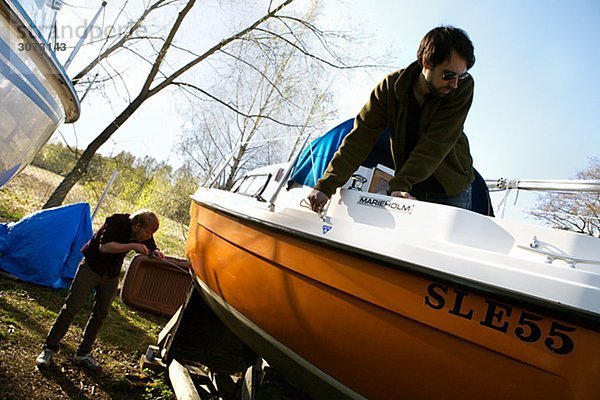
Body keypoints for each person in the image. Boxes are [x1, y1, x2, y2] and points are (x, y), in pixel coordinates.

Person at [308, 26, 476, 213]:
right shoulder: (389, 89)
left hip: (451, 189)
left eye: (461, 76)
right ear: (426, 62)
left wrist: (401, 184)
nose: (454, 84)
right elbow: (360, 137)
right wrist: (325, 185)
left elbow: (436, 143)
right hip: (411, 188)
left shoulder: (463, 88)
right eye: (448, 75)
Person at [36, 210, 164, 370]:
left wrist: (154, 252)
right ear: (137, 225)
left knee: (100, 314)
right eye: (147, 232)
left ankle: (83, 353)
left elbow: (150, 245)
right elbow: (105, 247)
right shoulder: (115, 221)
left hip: (111, 274)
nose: (148, 236)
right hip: (91, 267)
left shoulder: (143, 233)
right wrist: (133, 246)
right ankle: (49, 348)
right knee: (71, 308)